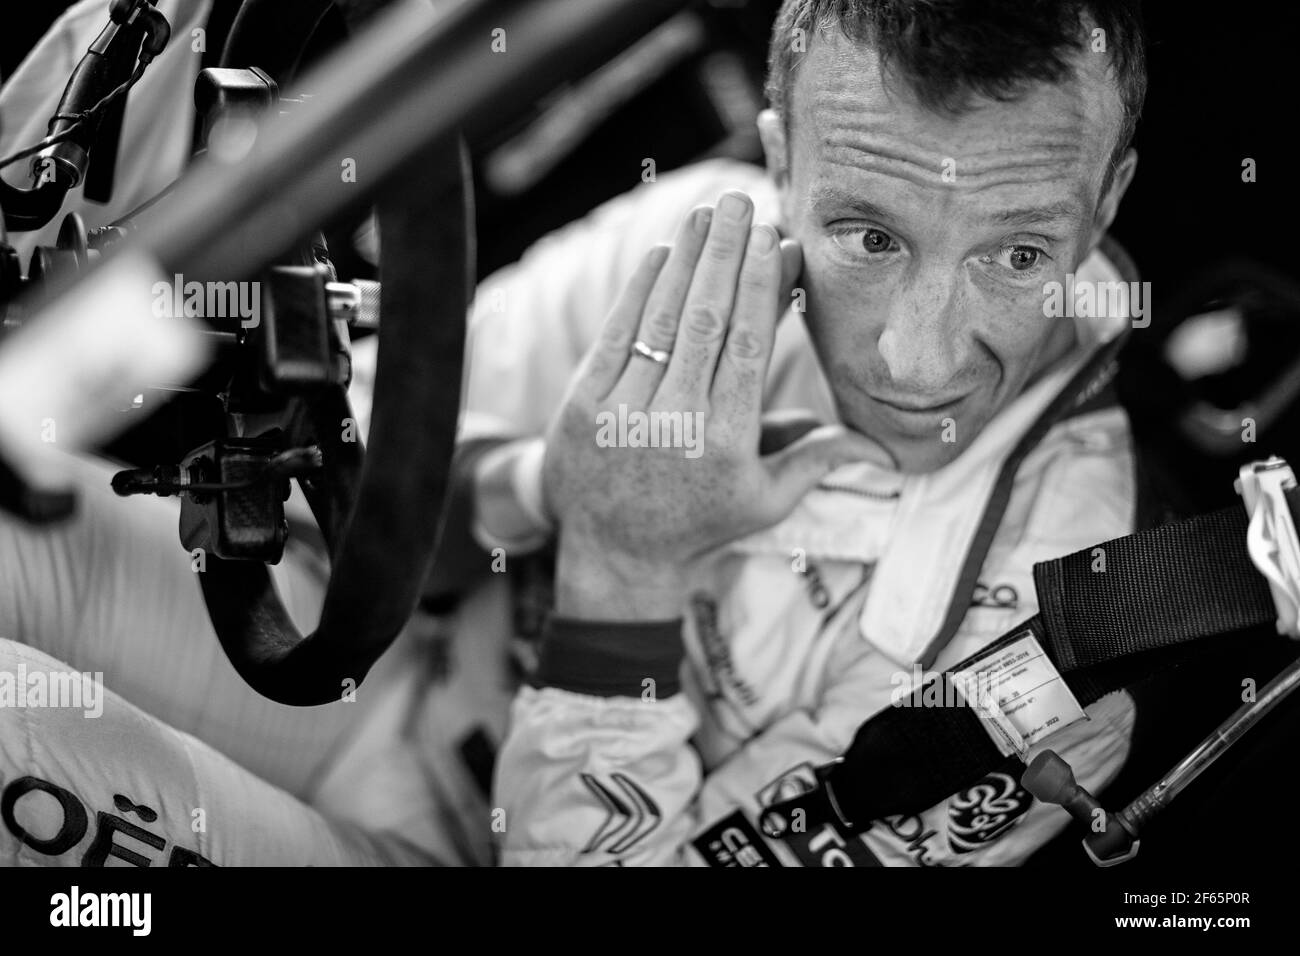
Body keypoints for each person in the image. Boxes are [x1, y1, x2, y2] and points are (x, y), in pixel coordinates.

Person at [485, 0, 1148, 866]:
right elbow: (379, 417)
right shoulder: (689, 238)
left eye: (1019, 254)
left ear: (1105, 206)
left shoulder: (1052, 659)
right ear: (780, 164)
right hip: (382, 680)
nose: (918, 363)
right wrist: (545, 485)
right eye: (871, 237)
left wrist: (624, 571)